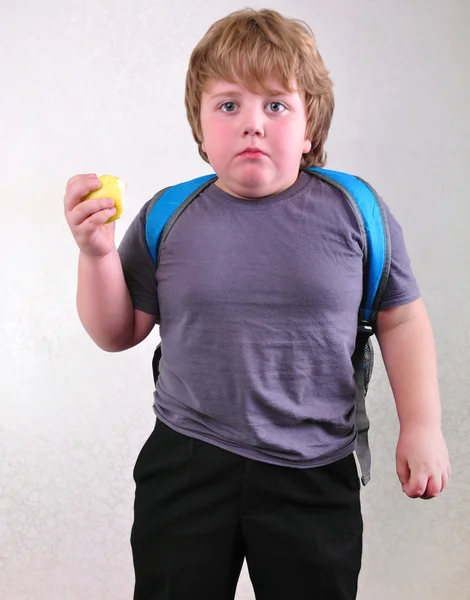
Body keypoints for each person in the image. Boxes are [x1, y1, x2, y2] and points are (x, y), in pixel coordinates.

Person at [63, 8, 450, 600]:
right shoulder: (169, 215)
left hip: (313, 470)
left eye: (276, 105)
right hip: (187, 461)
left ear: (310, 125)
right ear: (199, 126)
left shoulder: (356, 211)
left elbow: (401, 317)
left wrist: (422, 427)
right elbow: (118, 331)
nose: (252, 124)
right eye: (228, 105)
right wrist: (96, 254)